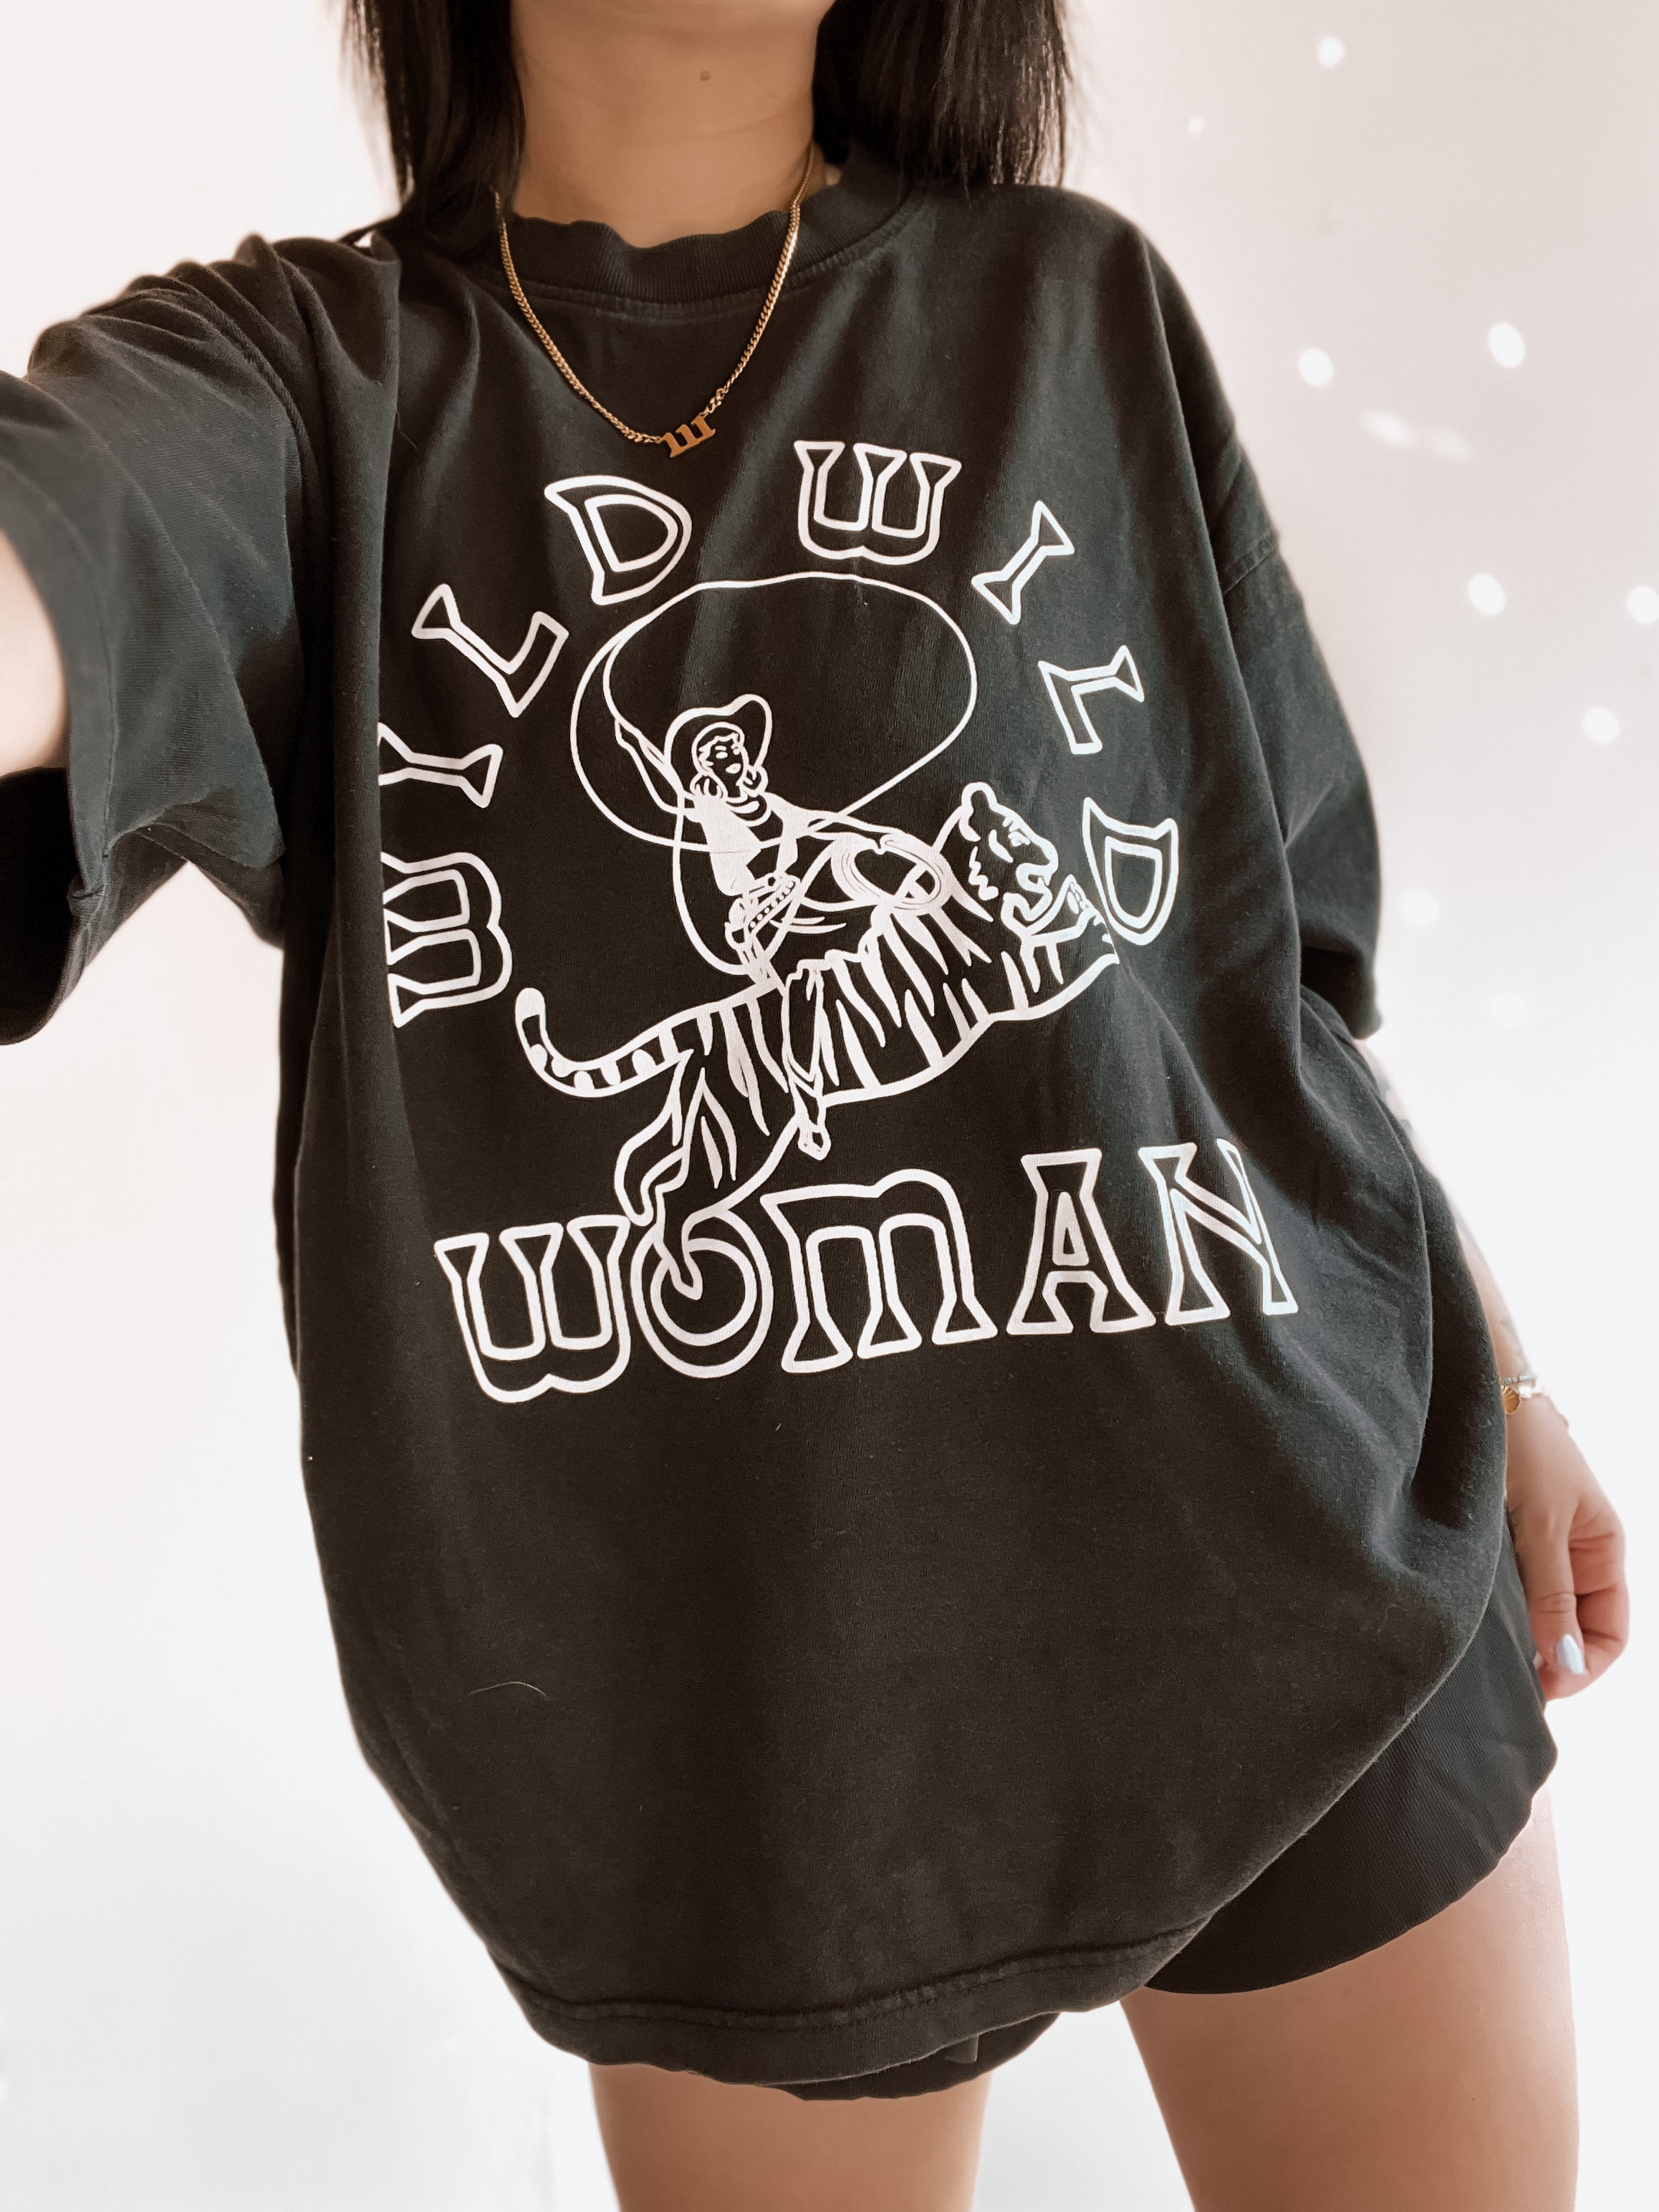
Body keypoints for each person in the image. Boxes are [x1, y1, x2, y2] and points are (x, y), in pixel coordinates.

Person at [0, 1, 1629, 2206]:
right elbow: (52, 550)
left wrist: (1499, 1370)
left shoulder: (1068, 303)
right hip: (748, 1728)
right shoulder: (299, 390)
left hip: (1305, 1574)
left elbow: (1262, 995)